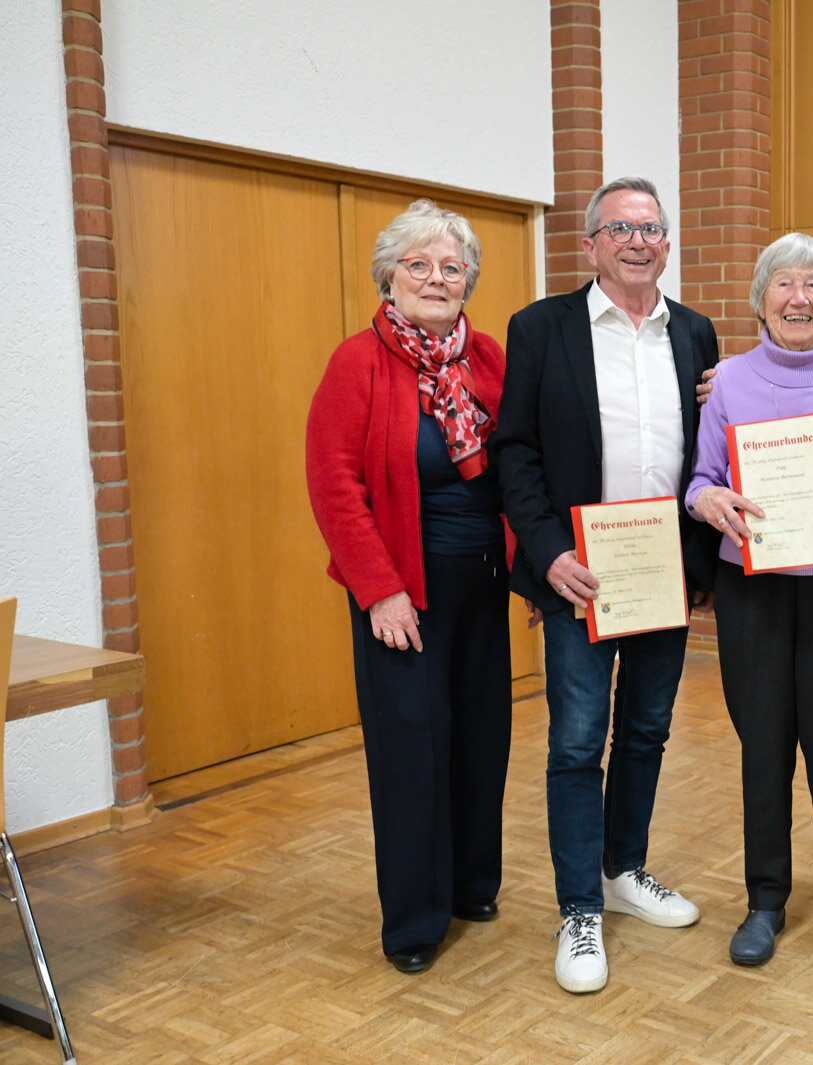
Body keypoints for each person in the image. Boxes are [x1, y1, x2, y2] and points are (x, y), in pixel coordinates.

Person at [492, 177, 720, 993]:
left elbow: (710, 450)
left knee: (650, 728)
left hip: (661, 569)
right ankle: (579, 907)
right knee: (577, 741)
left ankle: (626, 869)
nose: (636, 240)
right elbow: (513, 452)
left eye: (650, 227)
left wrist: (702, 564)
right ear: (589, 244)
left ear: (666, 243)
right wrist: (547, 551)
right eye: (619, 228)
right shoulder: (541, 328)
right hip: (580, 572)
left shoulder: (694, 333)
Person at [306, 199, 512, 975]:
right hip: (404, 593)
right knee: (411, 748)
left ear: (468, 282)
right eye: (418, 265)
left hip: (486, 582)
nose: (435, 277)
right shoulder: (357, 362)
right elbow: (333, 484)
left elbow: (520, 461)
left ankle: (470, 884)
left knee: (481, 737)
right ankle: (416, 918)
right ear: (388, 278)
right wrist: (378, 590)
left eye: (451, 266)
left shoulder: (488, 358)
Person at [685, 233, 813, 969]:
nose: (798, 297)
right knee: (764, 748)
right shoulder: (728, 381)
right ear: (760, 300)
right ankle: (765, 900)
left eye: (812, 284)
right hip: (755, 590)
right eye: (783, 284)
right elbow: (699, 479)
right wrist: (713, 503)